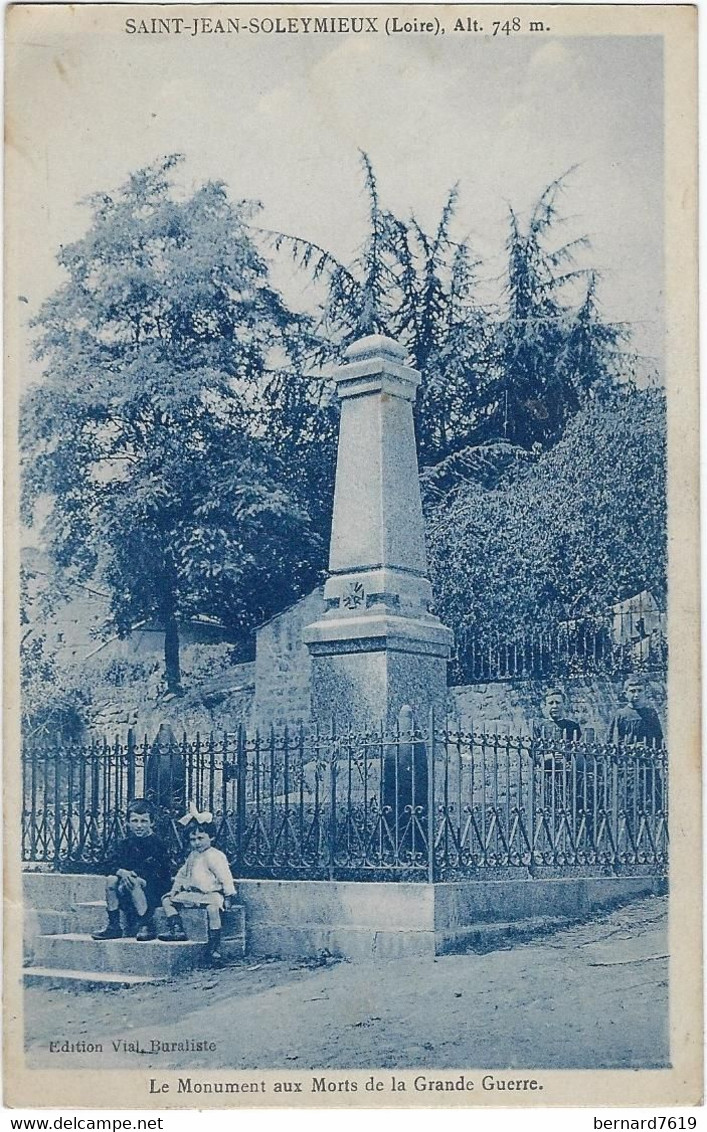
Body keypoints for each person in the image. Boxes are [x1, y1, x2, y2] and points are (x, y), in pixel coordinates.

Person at [159, 806, 236, 967]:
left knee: (213, 910)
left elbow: (225, 877)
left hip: (211, 894)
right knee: (166, 900)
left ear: (211, 837)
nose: (196, 843)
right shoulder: (193, 855)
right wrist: (175, 889)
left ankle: (214, 949)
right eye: (193, 840)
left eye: (201, 838)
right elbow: (182, 873)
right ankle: (177, 928)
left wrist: (228, 896)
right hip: (192, 894)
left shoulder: (215, 856)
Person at [92, 798, 172, 941]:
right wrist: (122, 873)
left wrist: (133, 875)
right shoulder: (125, 843)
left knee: (134, 881)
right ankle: (114, 926)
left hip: (153, 890)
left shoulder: (158, 844)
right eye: (135, 821)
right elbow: (107, 864)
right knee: (111, 879)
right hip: (127, 888)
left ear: (152, 822)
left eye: (144, 821)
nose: (139, 826)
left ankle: (146, 924)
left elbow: (155, 869)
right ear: (128, 823)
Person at [608, 676, 664, 747]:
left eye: (640, 691)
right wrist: (630, 747)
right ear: (625, 694)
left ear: (645, 693)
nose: (636, 695)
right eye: (632, 691)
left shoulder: (651, 714)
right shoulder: (620, 715)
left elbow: (658, 740)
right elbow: (610, 741)